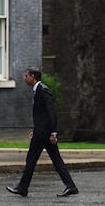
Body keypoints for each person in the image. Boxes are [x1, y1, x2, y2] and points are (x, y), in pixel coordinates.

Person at [6, 67, 78, 197]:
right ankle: (71, 186)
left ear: (32, 77)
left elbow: (51, 112)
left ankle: (22, 188)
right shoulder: (38, 90)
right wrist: (36, 130)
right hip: (41, 132)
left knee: (31, 159)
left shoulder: (43, 90)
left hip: (43, 134)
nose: (24, 78)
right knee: (55, 160)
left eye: (26, 76)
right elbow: (42, 115)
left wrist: (54, 132)